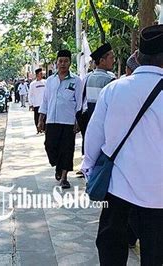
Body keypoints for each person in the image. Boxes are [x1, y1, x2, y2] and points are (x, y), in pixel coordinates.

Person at [82, 25, 163, 266]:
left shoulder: (113, 90)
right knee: (155, 256)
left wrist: (88, 167)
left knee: (111, 252)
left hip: (117, 190)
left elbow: (93, 138)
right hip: (159, 195)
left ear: (137, 56)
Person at [38, 49, 82, 189]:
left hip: (68, 121)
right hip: (52, 120)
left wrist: (77, 121)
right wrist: (41, 119)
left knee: (67, 149)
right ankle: (58, 166)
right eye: (60, 61)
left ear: (70, 63)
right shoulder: (50, 81)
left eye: (66, 61)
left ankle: (64, 177)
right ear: (56, 63)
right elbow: (45, 101)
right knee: (49, 145)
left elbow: (80, 102)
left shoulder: (76, 81)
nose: (63, 64)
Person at [76, 43, 116, 159]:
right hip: (105, 121)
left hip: (89, 118)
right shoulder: (110, 79)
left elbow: (81, 100)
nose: (113, 60)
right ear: (102, 61)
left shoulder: (87, 78)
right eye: (111, 58)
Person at [28, 69, 47, 133]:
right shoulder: (33, 84)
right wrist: (31, 104)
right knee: (37, 117)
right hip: (36, 103)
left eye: (42, 74)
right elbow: (30, 94)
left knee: (45, 117)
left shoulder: (45, 82)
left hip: (44, 103)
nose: (41, 75)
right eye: (40, 74)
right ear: (37, 75)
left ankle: (44, 128)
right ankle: (38, 129)